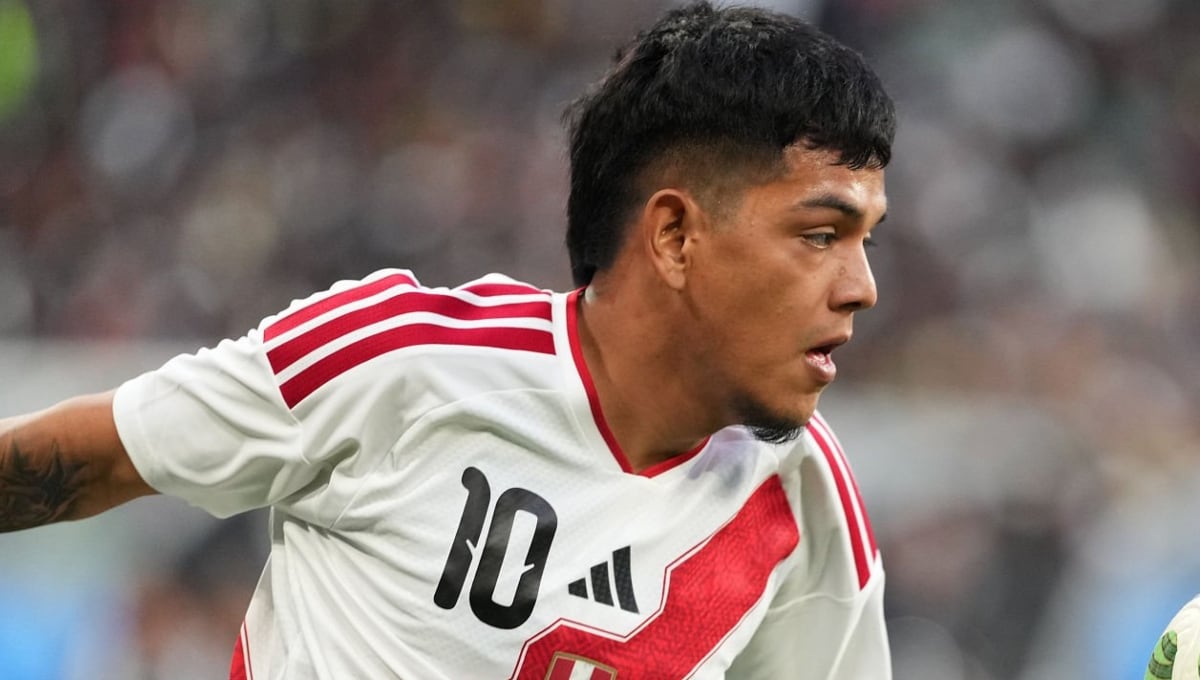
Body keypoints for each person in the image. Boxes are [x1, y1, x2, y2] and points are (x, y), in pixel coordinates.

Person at [0, 2, 895, 677]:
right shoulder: (401, 360)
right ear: (673, 237)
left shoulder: (807, 505)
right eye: (820, 235)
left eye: (866, 241)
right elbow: (79, 461)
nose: (861, 288)